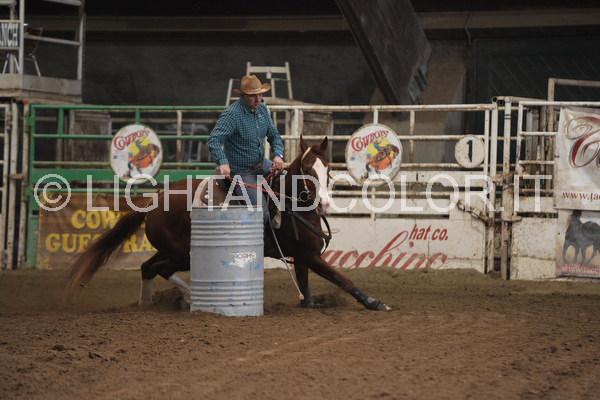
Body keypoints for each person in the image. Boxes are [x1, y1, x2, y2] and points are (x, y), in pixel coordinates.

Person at [207, 74, 285, 230]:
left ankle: (282, 228)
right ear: (243, 96)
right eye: (252, 96)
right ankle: (262, 241)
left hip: (262, 164)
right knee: (260, 212)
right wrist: (223, 162)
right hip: (241, 171)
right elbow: (214, 140)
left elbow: (274, 135)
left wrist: (278, 155)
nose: (257, 99)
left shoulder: (262, 109)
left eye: (260, 94)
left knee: (290, 181)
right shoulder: (232, 115)